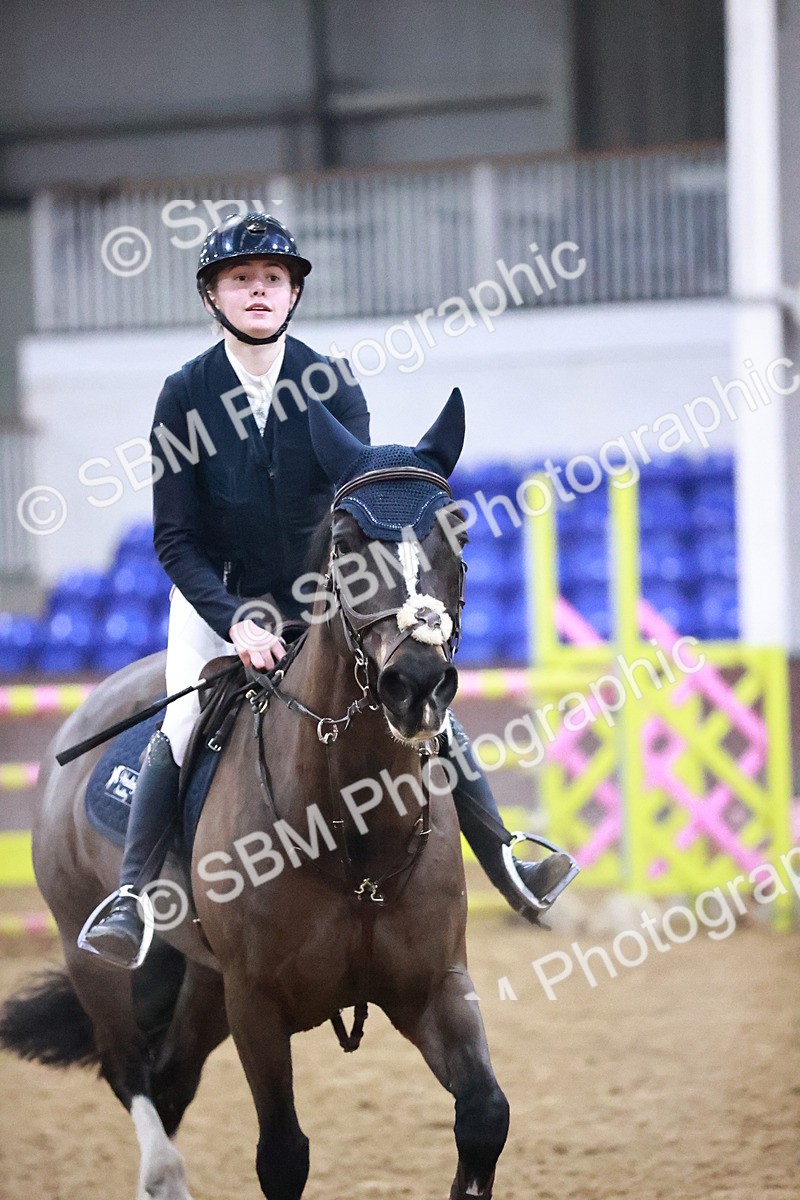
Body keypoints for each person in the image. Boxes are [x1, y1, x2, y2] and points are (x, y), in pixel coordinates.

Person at [81, 212, 577, 968]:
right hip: (218, 602)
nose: (258, 291)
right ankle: (129, 896)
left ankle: (507, 858)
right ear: (212, 296)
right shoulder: (183, 395)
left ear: (291, 295)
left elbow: (364, 506)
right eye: (241, 279)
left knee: (422, 706)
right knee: (179, 731)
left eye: (272, 279)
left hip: (322, 602)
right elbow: (174, 538)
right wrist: (236, 622)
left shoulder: (330, 382)